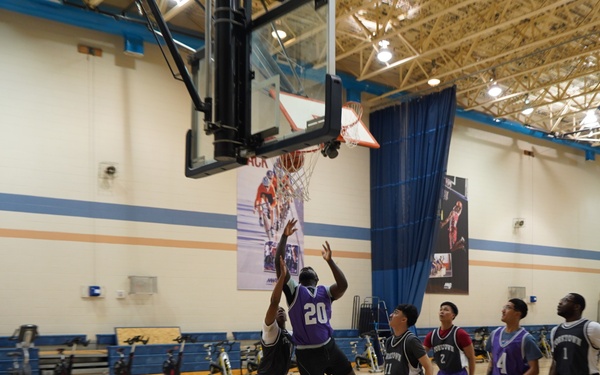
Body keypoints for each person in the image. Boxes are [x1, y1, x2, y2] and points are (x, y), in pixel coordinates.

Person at [275, 219, 355, 375]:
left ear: (316, 279)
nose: (307, 268)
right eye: (305, 269)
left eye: (310, 269)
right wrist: (284, 237)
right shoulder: (294, 290)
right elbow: (279, 265)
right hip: (307, 354)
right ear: (300, 280)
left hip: (329, 347)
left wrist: (330, 261)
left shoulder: (325, 291)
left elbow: (343, 286)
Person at [257, 255, 294, 375]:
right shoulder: (270, 331)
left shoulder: (291, 334)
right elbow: (274, 302)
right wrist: (282, 277)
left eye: (282, 309)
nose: (280, 311)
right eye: (277, 310)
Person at [485, 298, 542, 375]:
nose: (503, 310)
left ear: (518, 314)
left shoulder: (526, 339)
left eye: (508, 308)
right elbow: (492, 362)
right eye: (504, 307)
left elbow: (534, 369)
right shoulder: (494, 334)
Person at [549, 292, 600, 375]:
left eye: (566, 300)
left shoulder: (592, 327)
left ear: (577, 306)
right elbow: (554, 362)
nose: (560, 302)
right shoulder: (555, 330)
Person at [423, 301, 476, 375]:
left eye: (446, 310)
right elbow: (421, 354)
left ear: (453, 315)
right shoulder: (432, 335)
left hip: (458, 373)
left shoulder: (460, 334)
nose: (442, 311)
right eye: (441, 309)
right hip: (442, 372)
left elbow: (471, 357)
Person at [384, 304, 433, 375]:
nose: (391, 315)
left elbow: (429, 366)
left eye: (396, 312)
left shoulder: (411, 341)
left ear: (404, 319)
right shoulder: (389, 341)